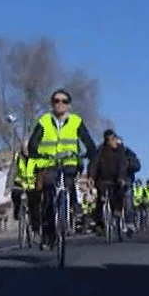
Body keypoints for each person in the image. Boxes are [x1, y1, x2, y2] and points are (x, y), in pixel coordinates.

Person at [28, 89, 96, 249]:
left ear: (69, 105)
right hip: (50, 163)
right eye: (56, 101)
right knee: (49, 195)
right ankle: (48, 236)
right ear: (52, 103)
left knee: (69, 182)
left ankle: (74, 209)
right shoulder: (44, 120)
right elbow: (33, 143)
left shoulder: (76, 121)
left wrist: (91, 153)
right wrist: (36, 153)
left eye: (64, 101)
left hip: (70, 163)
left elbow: (88, 141)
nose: (60, 104)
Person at [87, 129, 129, 233]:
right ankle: (99, 221)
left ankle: (117, 211)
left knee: (119, 193)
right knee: (101, 199)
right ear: (107, 141)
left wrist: (122, 178)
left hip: (117, 179)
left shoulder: (120, 150)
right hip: (103, 179)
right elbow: (94, 164)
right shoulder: (100, 150)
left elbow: (122, 165)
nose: (115, 141)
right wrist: (91, 177)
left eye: (115, 138)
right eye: (112, 139)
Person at [11, 141, 39, 234]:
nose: (25, 150)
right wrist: (9, 185)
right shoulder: (18, 158)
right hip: (20, 184)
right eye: (24, 148)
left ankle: (35, 227)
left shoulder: (35, 158)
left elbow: (39, 173)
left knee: (34, 205)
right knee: (15, 194)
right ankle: (17, 212)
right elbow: (12, 172)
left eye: (27, 148)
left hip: (32, 186)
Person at [116, 136, 141, 234]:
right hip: (113, 181)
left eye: (119, 144)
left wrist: (131, 165)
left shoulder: (129, 153)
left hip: (127, 180)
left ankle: (129, 223)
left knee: (128, 200)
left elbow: (138, 165)